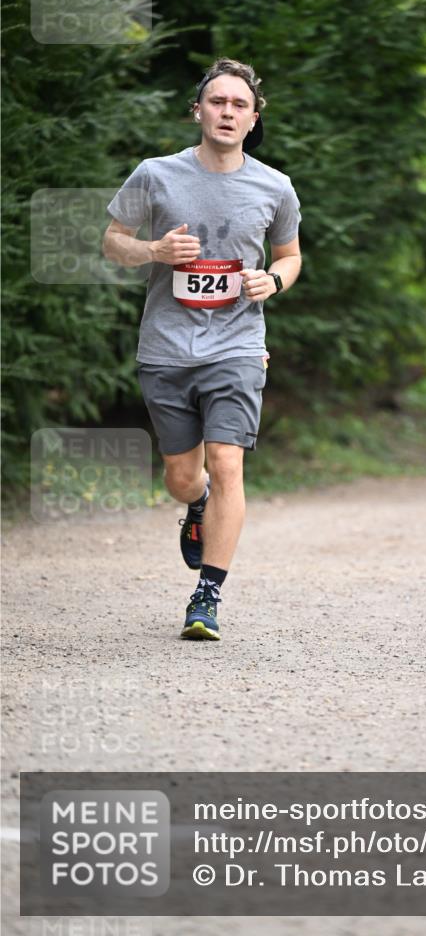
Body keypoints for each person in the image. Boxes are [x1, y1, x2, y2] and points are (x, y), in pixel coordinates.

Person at [103, 57, 302, 638]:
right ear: (198, 110)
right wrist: (154, 252)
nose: (227, 112)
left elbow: (289, 255)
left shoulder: (274, 186)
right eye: (217, 102)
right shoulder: (156, 175)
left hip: (238, 345)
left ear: (253, 117)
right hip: (166, 348)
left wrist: (275, 280)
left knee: (227, 462)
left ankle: (206, 597)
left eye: (239, 105)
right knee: (183, 477)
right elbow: (113, 242)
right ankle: (196, 506)